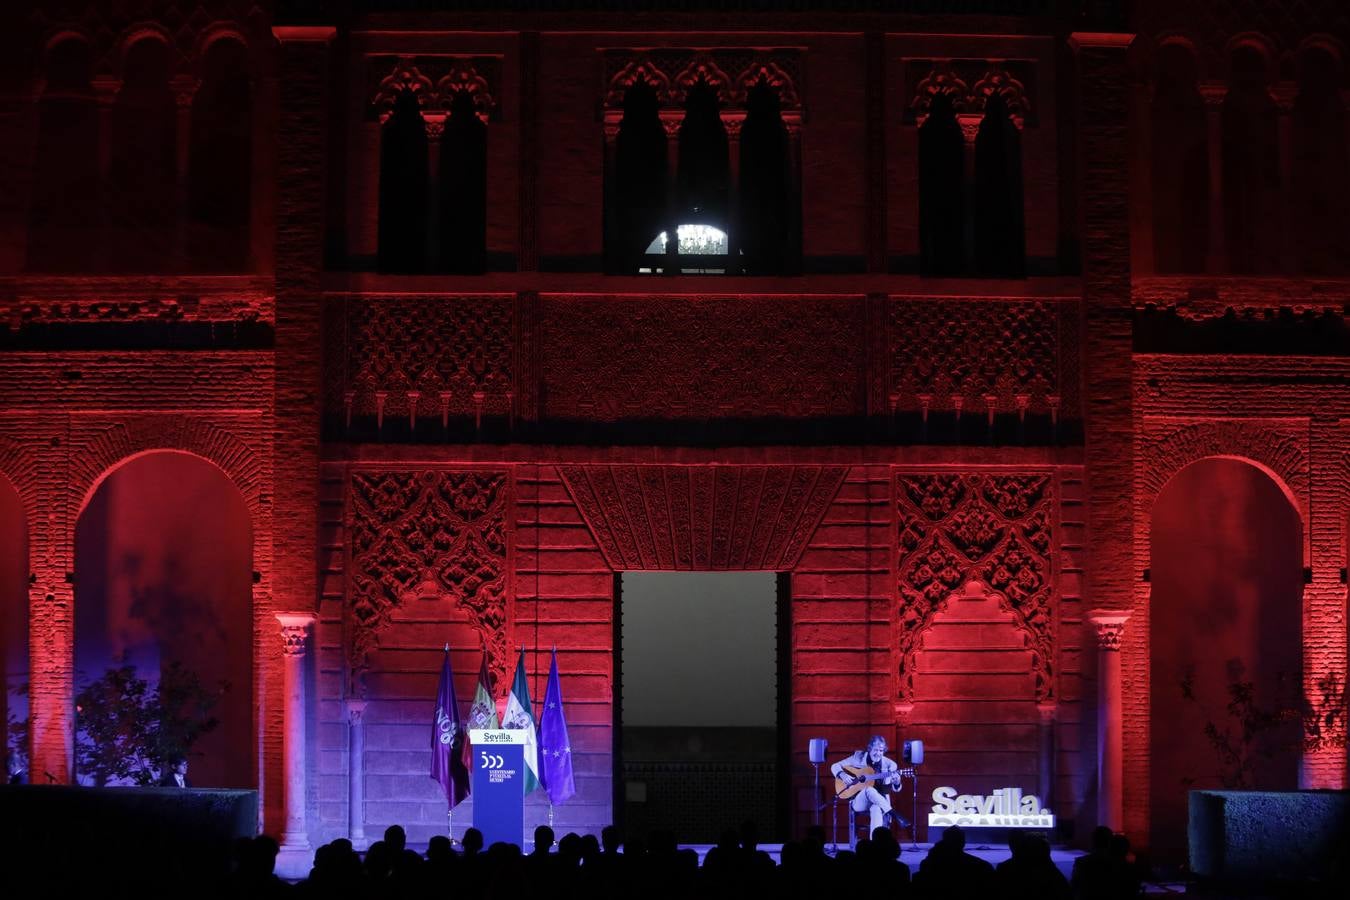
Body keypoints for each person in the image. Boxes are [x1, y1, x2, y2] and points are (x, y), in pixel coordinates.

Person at [831, 735, 909, 842]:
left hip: (879, 801)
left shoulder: (890, 765)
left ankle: (874, 844)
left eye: (881, 750)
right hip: (858, 801)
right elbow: (834, 766)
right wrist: (842, 774)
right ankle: (894, 814)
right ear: (869, 749)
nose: (878, 753)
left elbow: (891, 789)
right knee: (869, 789)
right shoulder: (858, 757)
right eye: (875, 750)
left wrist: (897, 782)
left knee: (876, 809)